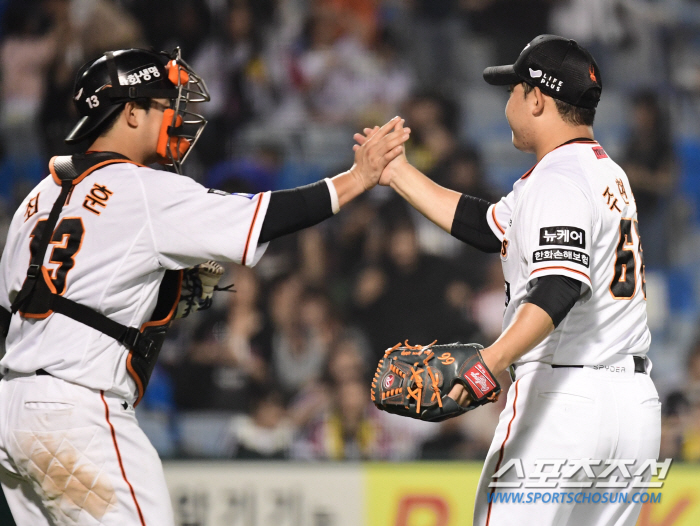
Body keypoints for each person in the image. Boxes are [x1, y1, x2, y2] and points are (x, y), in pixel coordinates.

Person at [0, 47, 409, 525]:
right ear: (130, 112)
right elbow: (261, 215)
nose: (175, 115)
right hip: (74, 413)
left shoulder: (37, 196)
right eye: (161, 104)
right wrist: (357, 178)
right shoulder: (144, 189)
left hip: (13, 409)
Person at [357, 35, 660, 526]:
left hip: (563, 400)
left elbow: (559, 285)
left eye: (514, 89)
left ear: (537, 97)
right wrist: (398, 173)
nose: (509, 100)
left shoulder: (557, 179)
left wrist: (488, 364)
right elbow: (488, 225)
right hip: (632, 408)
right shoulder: (606, 173)